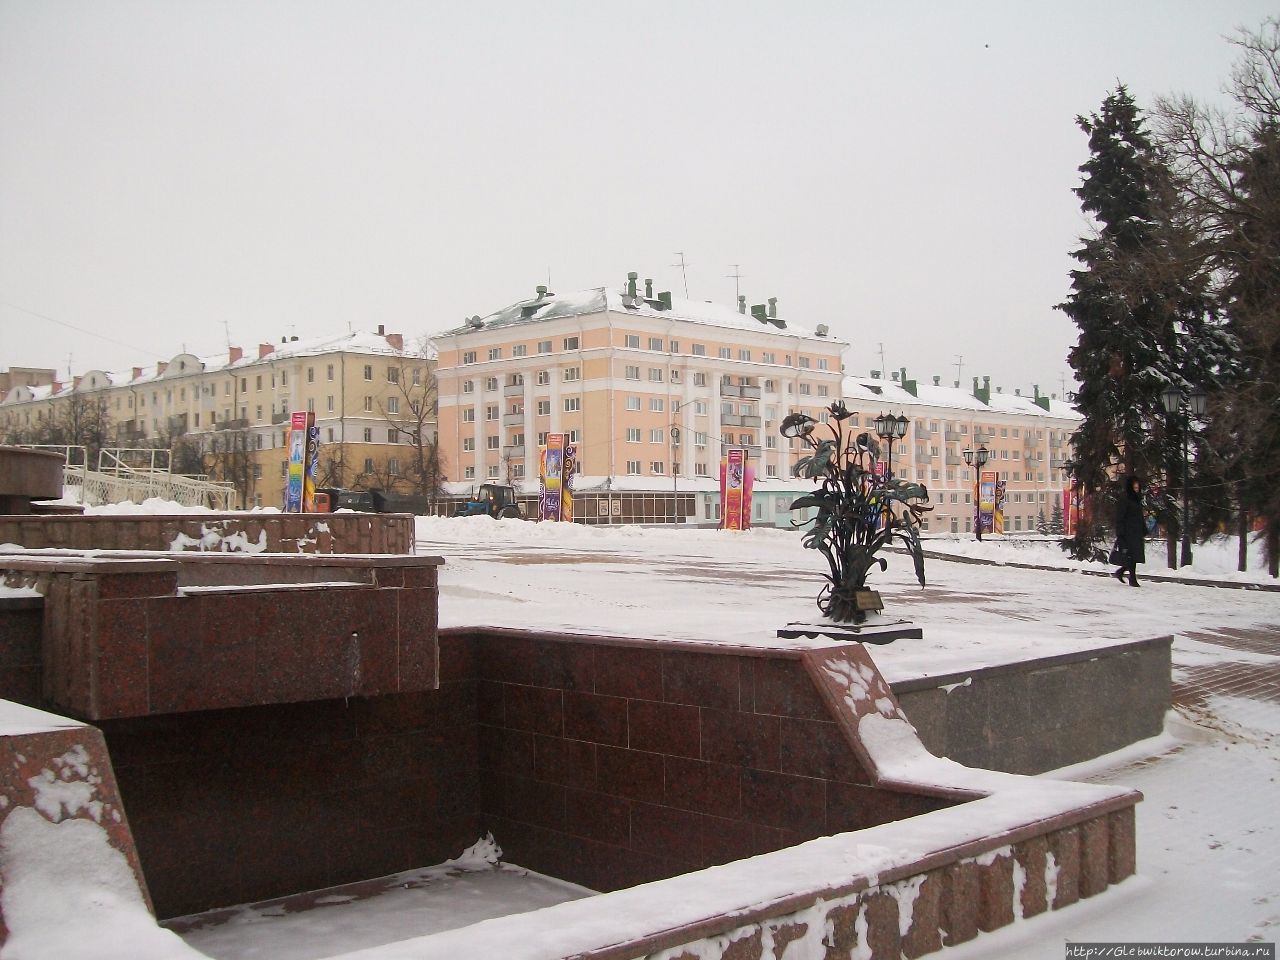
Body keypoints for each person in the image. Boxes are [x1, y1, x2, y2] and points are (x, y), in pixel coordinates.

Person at [1113, 476, 1146, 587]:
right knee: (1131, 556)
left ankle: (1121, 572)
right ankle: (1132, 578)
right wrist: (1120, 532)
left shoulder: (1137, 499)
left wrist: (1144, 528)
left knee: (1134, 556)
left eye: (1138, 487)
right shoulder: (1125, 499)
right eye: (1134, 487)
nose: (1137, 489)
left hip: (1136, 531)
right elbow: (1120, 517)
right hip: (1128, 532)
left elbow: (1140, 516)